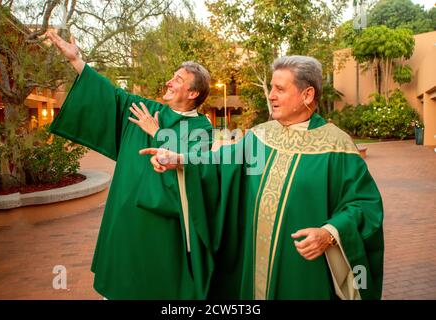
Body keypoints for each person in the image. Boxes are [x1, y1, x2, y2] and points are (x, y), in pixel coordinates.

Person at [140, 55, 384, 300]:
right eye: (272, 88)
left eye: (280, 89)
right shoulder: (260, 136)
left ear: (307, 95)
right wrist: (180, 160)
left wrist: (329, 234)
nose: (271, 95)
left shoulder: (336, 147)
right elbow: (221, 163)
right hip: (254, 263)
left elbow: (364, 205)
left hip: (303, 270)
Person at [46, 31, 214, 299]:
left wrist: (157, 133)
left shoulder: (201, 129)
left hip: (163, 228)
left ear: (193, 92)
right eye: (172, 76)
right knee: (120, 286)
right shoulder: (143, 108)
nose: (169, 82)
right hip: (125, 219)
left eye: (178, 80)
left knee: (160, 289)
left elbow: (194, 168)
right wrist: (77, 61)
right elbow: (109, 95)